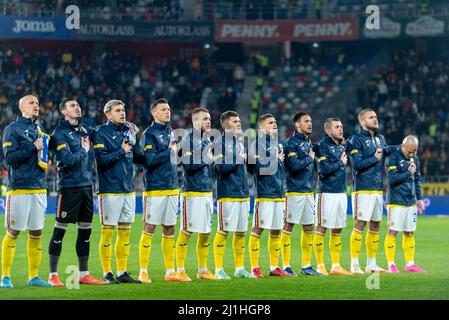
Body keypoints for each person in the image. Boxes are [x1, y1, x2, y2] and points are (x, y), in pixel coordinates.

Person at [47, 98, 104, 286]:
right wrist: (84, 150)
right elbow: (68, 159)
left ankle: (84, 274)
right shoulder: (59, 133)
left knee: (85, 232)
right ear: (64, 111)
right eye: (72, 106)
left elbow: (102, 133)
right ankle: (53, 275)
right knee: (59, 230)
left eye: (78, 105)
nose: (77, 107)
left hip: (87, 187)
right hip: (69, 187)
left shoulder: (85, 129)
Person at [1, 95, 52, 288]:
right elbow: (10, 158)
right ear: (22, 108)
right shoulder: (12, 129)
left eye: (38, 103)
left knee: (37, 232)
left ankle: (34, 277)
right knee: (13, 231)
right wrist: (33, 147)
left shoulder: (39, 130)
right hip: (19, 188)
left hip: (39, 187)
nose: (36, 105)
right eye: (32, 103)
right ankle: (5, 276)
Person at [93, 99, 143, 284]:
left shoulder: (127, 131)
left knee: (125, 232)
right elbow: (102, 161)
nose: (123, 113)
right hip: (110, 190)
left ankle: (122, 272)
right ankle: (107, 273)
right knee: (107, 232)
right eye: (118, 110)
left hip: (128, 189)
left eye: (123, 110)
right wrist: (122, 150)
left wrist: (136, 140)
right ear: (108, 114)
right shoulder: (100, 133)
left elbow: (137, 157)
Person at [346, 108, 394, 274]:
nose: (375, 119)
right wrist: (374, 158)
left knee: (375, 226)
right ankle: (354, 264)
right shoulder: (354, 140)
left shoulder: (380, 138)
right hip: (362, 189)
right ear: (362, 122)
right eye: (371, 117)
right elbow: (356, 164)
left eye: (376, 117)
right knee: (360, 224)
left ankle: (371, 264)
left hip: (378, 188)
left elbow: (387, 151)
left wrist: (404, 148)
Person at [138, 98, 179, 283]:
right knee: (149, 227)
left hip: (172, 187)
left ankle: (170, 271)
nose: (168, 112)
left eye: (169, 109)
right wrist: (169, 151)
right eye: (163, 109)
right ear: (154, 113)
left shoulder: (171, 132)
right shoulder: (149, 134)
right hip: (155, 188)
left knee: (170, 228)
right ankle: (143, 271)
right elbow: (150, 161)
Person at [174, 107, 217, 282]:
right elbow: (190, 165)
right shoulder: (187, 141)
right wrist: (208, 158)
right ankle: (180, 270)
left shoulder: (206, 141)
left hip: (207, 192)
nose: (209, 121)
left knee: (206, 231)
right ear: (195, 121)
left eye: (209, 118)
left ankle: (203, 270)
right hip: (191, 192)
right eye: (205, 119)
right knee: (187, 230)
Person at [247, 113, 289, 278]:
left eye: (276, 122)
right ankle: (254, 268)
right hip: (264, 194)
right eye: (271, 123)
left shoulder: (279, 145)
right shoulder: (256, 145)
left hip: (279, 193)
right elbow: (256, 168)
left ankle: (274, 267)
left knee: (277, 230)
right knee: (258, 228)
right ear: (261, 127)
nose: (275, 125)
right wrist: (274, 159)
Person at [213, 111, 252, 280]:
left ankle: (239, 268)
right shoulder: (219, 143)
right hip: (227, 193)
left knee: (241, 231)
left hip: (243, 192)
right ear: (225, 125)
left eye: (239, 120)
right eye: (235, 121)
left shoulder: (239, 142)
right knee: (223, 231)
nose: (239, 124)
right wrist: (238, 158)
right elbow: (220, 167)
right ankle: (218, 269)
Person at [281, 112, 321, 276]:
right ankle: (285, 265)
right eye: (306, 121)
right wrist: (309, 158)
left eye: (310, 121)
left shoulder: (310, 143)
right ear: (297, 125)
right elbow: (294, 166)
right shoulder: (290, 143)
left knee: (308, 228)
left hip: (308, 192)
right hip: (294, 191)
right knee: (288, 226)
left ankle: (306, 265)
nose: (309, 124)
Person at [314, 118, 352, 276]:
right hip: (326, 193)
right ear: (329, 131)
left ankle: (336, 265)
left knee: (337, 229)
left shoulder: (341, 146)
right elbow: (323, 169)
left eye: (341, 126)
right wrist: (340, 163)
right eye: (337, 127)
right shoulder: (323, 146)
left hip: (341, 193)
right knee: (322, 228)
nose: (341, 129)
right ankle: (320, 265)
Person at [384, 135, 426, 273]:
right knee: (393, 232)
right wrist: (408, 172)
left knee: (409, 232)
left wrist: (419, 199)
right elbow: (393, 180)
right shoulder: (393, 157)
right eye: (410, 151)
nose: (412, 155)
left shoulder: (415, 159)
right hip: (396, 201)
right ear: (403, 146)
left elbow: (417, 179)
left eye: (415, 152)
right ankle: (391, 264)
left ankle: (410, 264)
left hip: (410, 201)